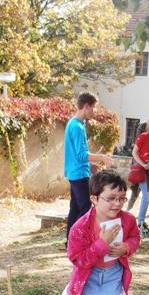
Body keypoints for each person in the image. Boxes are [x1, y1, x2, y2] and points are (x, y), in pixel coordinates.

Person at [56, 170, 140, 295]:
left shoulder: (127, 220)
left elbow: (135, 237)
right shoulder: (81, 227)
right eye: (111, 198)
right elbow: (78, 258)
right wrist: (102, 244)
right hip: (90, 278)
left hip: (113, 275)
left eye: (122, 198)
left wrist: (126, 247)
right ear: (94, 199)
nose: (117, 204)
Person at [64, 92, 113, 241]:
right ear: (86, 106)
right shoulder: (77, 127)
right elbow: (80, 154)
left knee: (75, 208)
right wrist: (102, 157)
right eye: (93, 108)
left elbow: (77, 153)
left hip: (75, 172)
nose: (94, 111)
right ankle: (78, 240)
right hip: (79, 174)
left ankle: (70, 241)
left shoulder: (73, 123)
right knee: (86, 209)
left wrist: (91, 164)